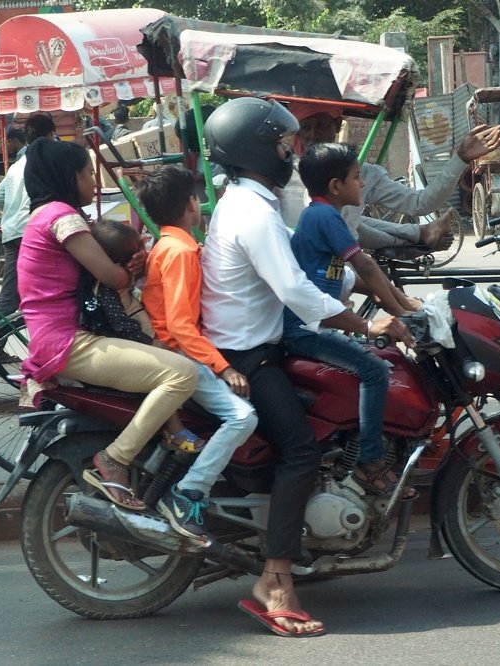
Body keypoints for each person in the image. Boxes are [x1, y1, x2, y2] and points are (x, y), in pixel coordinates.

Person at [201, 97, 414, 637]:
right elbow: (293, 287)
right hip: (250, 352)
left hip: (257, 340)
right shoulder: (253, 212)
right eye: (279, 144)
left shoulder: (251, 203)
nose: (288, 152)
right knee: (298, 450)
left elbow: (307, 276)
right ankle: (275, 583)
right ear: (254, 149)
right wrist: (366, 326)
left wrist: (365, 294)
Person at [17, 138, 198, 511]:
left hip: (62, 338)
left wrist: (125, 269)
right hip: (69, 342)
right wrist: (129, 272)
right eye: (87, 174)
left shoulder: (44, 215)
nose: (93, 183)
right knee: (182, 374)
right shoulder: (61, 216)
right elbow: (109, 276)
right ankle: (116, 458)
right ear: (69, 177)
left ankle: (171, 432)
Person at [283, 142, 417, 497]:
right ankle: (370, 462)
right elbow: (366, 266)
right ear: (335, 186)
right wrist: (399, 312)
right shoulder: (324, 216)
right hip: (304, 329)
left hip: (318, 322)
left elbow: (358, 277)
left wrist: (402, 303)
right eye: (358, 178)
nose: (363, 185)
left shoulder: (321, 215)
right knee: (374, 370)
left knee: (378, 357)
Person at [136, 165, 259, 540]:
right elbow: (180, 327)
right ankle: (191, 490)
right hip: (180, 355)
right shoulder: (180, 253)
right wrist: (223, 369)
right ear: (192, 202)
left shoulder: (174, 245)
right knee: (243, 418)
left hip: (179, 349)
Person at [279, 102, 500, 252]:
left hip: (339, 266)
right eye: (305, 127)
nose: (312, 134)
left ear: (337, 125)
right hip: (303, 268)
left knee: (353, 223)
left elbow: (419, 203)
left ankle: (419, 233)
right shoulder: (284, 171)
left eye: (321, 125)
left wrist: (460, 159)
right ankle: (419, 233)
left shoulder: (363, 173)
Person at [82, 219, 206, 454]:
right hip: (134, 343)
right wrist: (150, 343)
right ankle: (175, 429)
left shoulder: (119, 281)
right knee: (170, 373)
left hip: (140, 336)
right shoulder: (107, 289)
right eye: (137, 253)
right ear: (122, 262)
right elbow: (120, 324)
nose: (142, 257)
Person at [0, 112, 57, 317]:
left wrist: (13, 210)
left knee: (10, 295)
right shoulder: (48, 161)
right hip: (34, 232)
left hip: (11, 232)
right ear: (50, 135)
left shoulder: (16, 166)